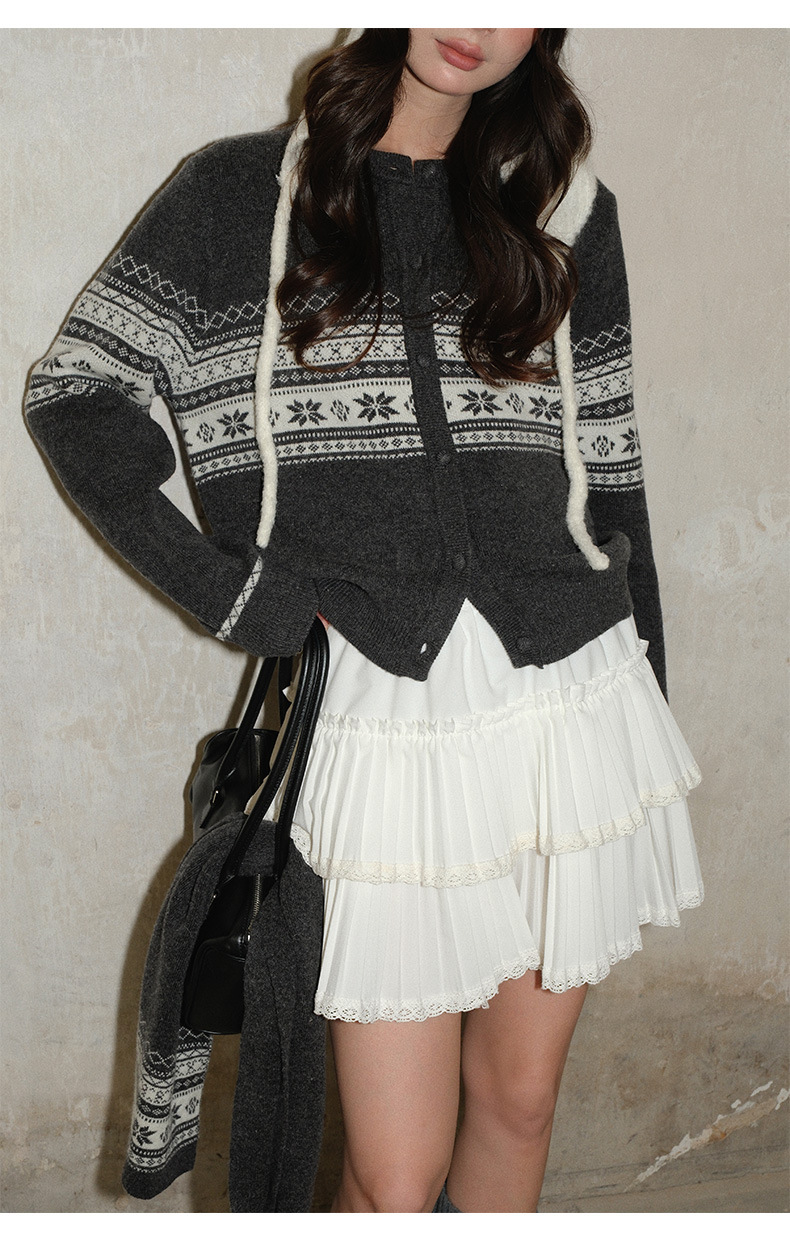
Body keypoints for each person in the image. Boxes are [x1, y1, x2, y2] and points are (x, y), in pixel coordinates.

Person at [25, 28, 703, 1214]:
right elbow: (75, 395)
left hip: (571, 698)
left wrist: (648, 680)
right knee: (394, 1177)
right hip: (384, 713)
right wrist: (240, 597)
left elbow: (610, 467)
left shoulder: (562, 208)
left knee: (519, 1102)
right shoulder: (234, 194)